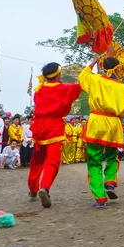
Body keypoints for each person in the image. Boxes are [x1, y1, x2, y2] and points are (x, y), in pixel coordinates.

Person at [29, 62, 82, 208]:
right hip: (54, 126)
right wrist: (92, 64)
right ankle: (44, 187)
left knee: (37, 159)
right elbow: (81, 84)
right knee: (52, 160)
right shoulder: (63, 88)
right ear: (58, 75)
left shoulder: (39, 90)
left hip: (39, 127)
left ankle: (32, 188)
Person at [79, 55, 124, 208]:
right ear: (117, 68)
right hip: (113, 123)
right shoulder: (122, 87)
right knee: (112, 157)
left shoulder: (95, 80)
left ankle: (100, 197)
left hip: (96, 122)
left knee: (94, 161)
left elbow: (82, 76)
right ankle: (110, 182)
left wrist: (93, 62)